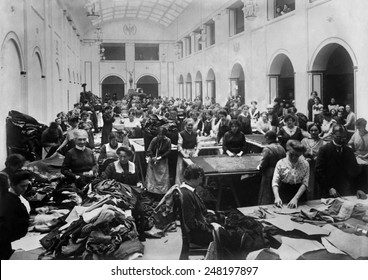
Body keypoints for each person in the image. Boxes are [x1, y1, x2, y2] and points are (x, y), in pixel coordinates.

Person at [315, 124, 366, 198]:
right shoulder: (324, 150)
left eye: (344, 137)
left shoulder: (349, 151)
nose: (342, 139)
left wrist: (359, 188)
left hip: (347, 191)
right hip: (330, 192)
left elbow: (355, 171)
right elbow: (319, 172)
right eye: (339, 137)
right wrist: (329, 188)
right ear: (332, 135)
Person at [178, 164, 221, 246]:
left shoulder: (188, 190)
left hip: (202, 225)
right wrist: (211, 227)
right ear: (196, 177)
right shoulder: (186, 195)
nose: (201, 181)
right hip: (199, 235)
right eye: (201, 178)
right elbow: (191, 223)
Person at [0, 170, 32, 259]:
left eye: (27, 185)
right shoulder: (9, 202)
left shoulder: (17, 197)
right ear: (12, 185)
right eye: (22, 186)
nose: (25, 188)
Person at [272, 140, 310, 208]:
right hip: (284, 193)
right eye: (291, 154)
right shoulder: (280, 163)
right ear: (288, 151)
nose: (294, 158)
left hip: (299, 195)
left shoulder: (305, 164)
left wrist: (296, 198)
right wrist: (277, 197)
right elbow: (275, 182)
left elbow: (305, 183)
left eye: (297, 156)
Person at [257, 131, 286, 205]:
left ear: (267, 138)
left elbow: (263, 163)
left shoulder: (267, 149)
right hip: (280, 172)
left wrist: (260, 168)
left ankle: (264, 206)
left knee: (266, 192)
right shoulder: (281, 147)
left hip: (269, 172)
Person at [301, 124, 325, 199]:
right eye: (311, 130)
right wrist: (304, 159)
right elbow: (299, 153)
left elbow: (325, 155)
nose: (313, 132)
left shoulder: (323, 143)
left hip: (317, 167)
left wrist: (318, 158)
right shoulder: (304, 141)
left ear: (319, 131)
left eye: (315, 130)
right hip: (305, 166)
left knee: (316, 184)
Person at [145, 127, 171, 195]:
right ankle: (151, 193)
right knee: (152, 178)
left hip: (163, 160)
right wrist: (152, 157)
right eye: (159, 134)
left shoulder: (168, 140)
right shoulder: (154, 139)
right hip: (153, 160)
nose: (160, 136)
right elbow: (149, 149)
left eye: (162, 135)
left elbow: (168, 151)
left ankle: (162, 193)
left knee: (162, 179)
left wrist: (160, 157)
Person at [175, 118, 199, 185]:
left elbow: (199, 144)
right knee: (182, 170)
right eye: (189, 125)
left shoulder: (195, 134)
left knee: (192, 170)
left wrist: (196, 152)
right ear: (185, 125)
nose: (190, 127)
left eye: (191, 125)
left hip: (192, 153)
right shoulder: (181, 134)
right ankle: (181, 185)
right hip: (184, 153)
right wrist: (184, 154)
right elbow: (179, 146)